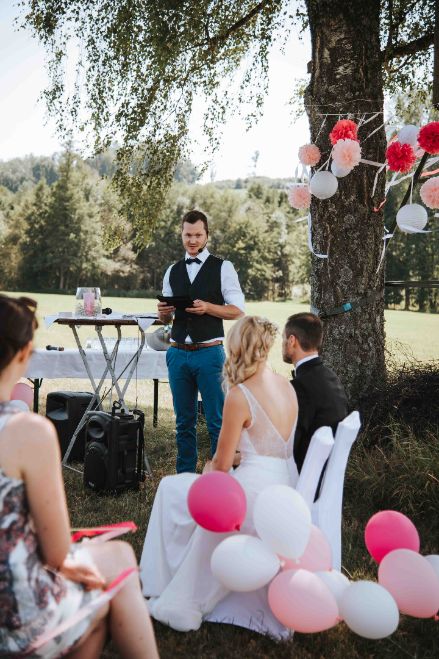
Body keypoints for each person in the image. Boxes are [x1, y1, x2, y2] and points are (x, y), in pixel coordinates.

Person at [0, 294, 159, 659]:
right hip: (15, 619)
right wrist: (77, 557)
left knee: (96, 610)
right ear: (25, 353)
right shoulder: (26, 432)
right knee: (116, 560)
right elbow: (56, 554)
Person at [140, 316, 298, 636]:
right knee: (178, 487)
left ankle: (170, 592)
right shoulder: (288, 386)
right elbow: (269, 445)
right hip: (283, 488)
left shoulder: (240, 395)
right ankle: (166, 580)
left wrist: (208, 471)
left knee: (171, 486)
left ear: (236, 347)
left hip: (247, 496)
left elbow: (222, 465)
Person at [158, 209, 245, 473]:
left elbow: (238, 310)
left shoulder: (223, 267)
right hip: (177, 354)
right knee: (183, 422)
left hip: (209, 354)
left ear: (207, 234)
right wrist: (163, 315)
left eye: (198, 235)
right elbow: (165, 320)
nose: (192, 240)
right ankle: (184, 477)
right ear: (181, 235)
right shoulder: (172, 271)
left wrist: (208, 307)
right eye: (188, 235)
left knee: (217, 421)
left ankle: (222, 477)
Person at [282, 312, 349, 472]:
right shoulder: (330, 376)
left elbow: (287, 446)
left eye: (283, 338)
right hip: (324, 471)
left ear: (292, 341)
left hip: (302, 475)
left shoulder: (301, 387)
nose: (282, 344)